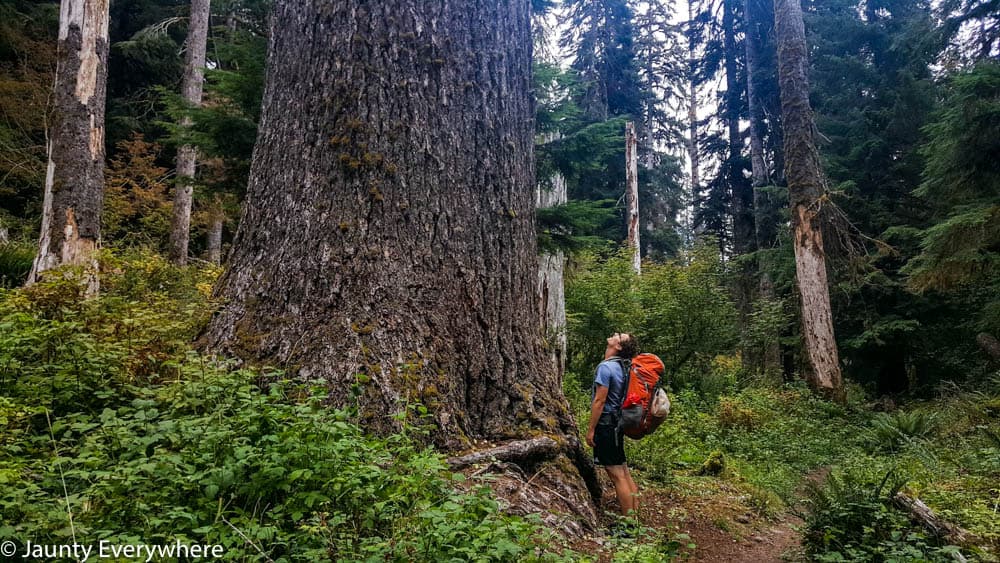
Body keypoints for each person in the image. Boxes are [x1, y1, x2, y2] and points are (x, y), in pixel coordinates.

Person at [586, 332, 640, 519]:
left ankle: (628, 525)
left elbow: (599, 401)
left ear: (619, 346)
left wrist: (591, 429)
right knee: (624, 472)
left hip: (606, 425)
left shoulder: (606, 368)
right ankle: (634, 519)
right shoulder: (624, 367)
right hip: (617, 424)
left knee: (617, 475)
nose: (614, 334)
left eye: (619, 335)